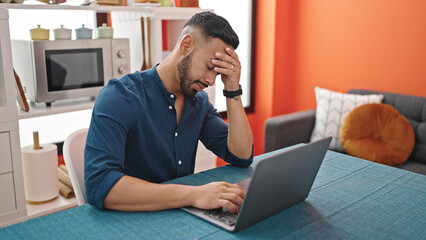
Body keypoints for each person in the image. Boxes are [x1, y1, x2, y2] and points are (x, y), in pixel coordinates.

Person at [84, 11, 254, 213]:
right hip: (130, 221)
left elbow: (241, 155)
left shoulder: (199, 102)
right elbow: (99, 185)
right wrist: (194, 194)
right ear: (186, 45)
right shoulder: (119, 97)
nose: (210, 80)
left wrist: (232, 88)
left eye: (218, 73)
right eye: (209, 67)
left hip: (180, 216)